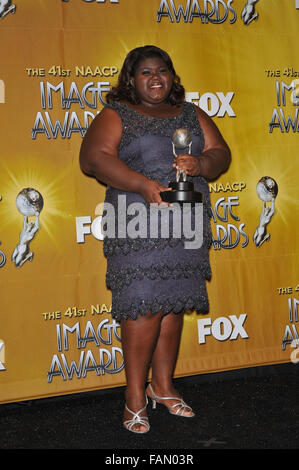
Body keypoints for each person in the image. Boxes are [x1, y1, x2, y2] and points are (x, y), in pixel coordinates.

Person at [79, 45, 231, 434]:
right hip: (136, 222)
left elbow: (220, 153)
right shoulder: (117, 114)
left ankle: (162, 387)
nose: (155, 78)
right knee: (144, 306)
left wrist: (201, 163)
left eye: (161, 71)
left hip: (187, 221)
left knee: (173, 305)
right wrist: (142, 185)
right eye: (145, 72)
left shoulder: (191, 113)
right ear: (131, 79)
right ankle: (134, 396)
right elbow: (93, 157)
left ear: (172, 75)